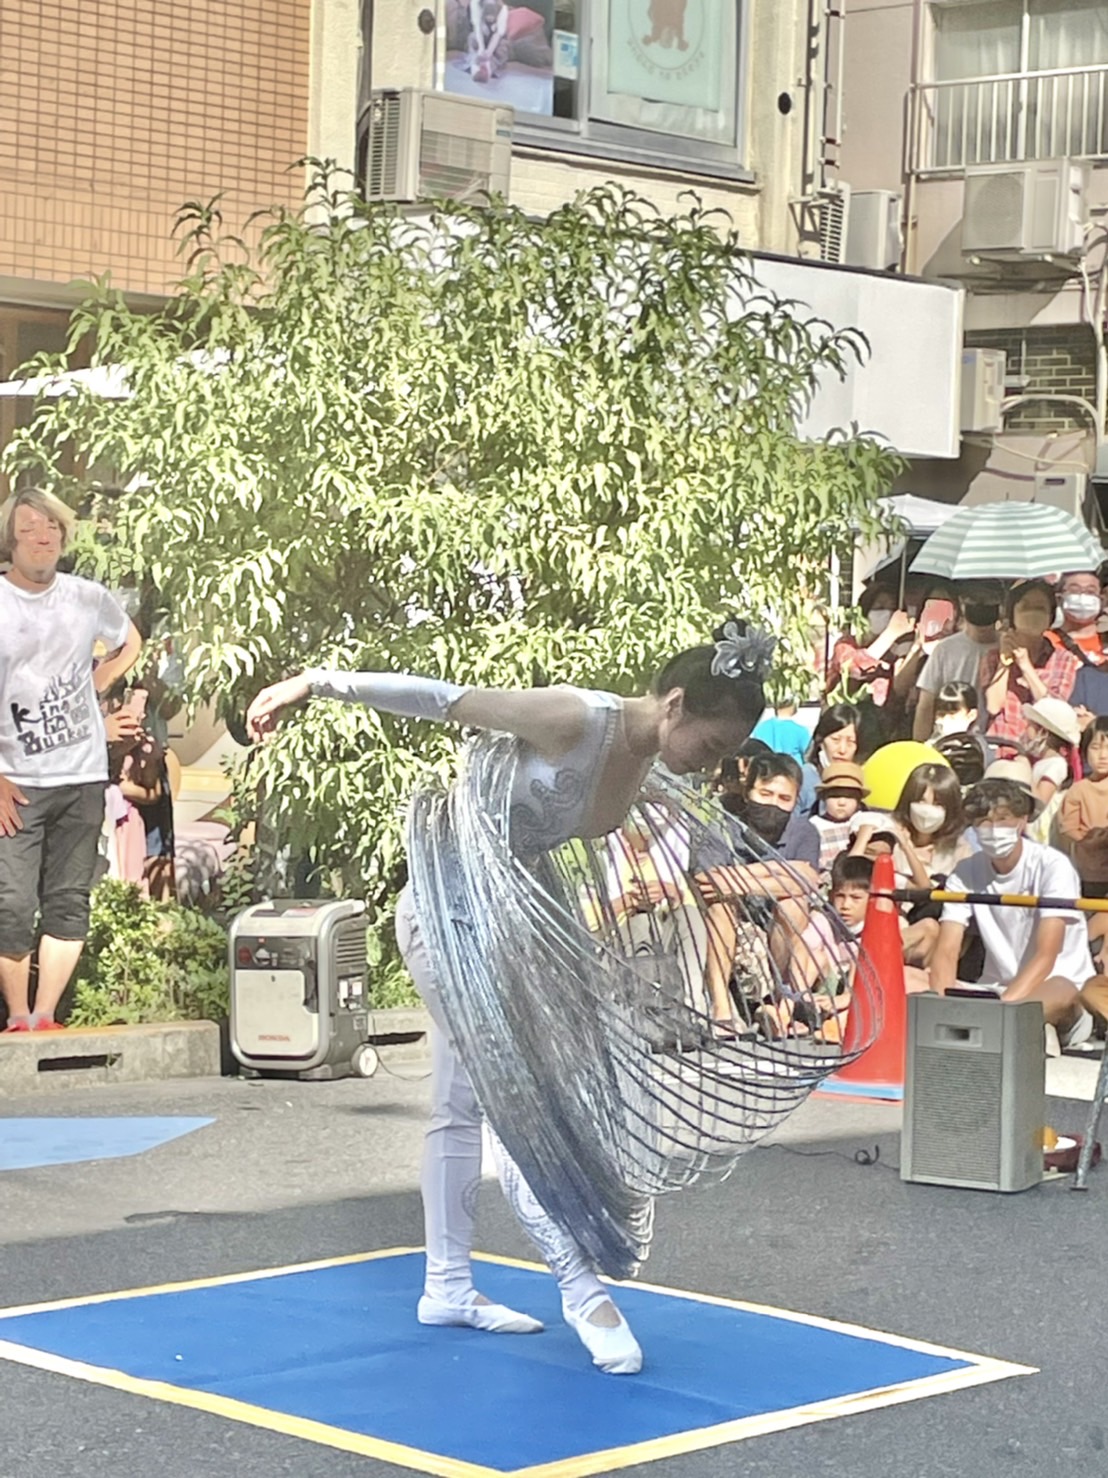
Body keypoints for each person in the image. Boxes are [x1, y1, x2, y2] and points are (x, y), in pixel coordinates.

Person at [245, 629, 772, 1377]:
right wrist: (316, 682)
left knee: (462, 1101)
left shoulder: (645, 759)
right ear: (676, 703)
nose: (711, 764)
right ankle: (580, 1286)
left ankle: (446, 1286)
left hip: (516, 916)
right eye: (712, 744)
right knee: (512, 1095)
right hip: (450, 910)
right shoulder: (575, 717)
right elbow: (441, 699)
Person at [0, 489, 142, 1033]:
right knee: (11, 901)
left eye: (52, 528)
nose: (42, 536)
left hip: (81, 775)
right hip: (17, 781)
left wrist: (95, 685)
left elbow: (129, 640)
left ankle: (44, 1014)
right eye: (30, 527)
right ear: (12, 539)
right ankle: (15, 1014)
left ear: (64, 535)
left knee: (68, 898)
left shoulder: (87, 597)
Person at [929, 774, 1095, 1051]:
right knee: (911, 978)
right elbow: (946, 950)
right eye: (983, 821)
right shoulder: (964, 871)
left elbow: (1047, 954)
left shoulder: (1052, 866)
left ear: (1022, 820)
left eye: (1003, 819)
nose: (993, 829)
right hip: (993, 990)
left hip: (1054, 985)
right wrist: (943, 1005)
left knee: (1062, 991)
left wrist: (1003, 1008)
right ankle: (1018, 1029)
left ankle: (1018, 1024)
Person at [981, 581, 1079, 751]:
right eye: (1025, 606)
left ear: (1050, 617)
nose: (1032, 613)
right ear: (1012, 614)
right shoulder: (992, 657)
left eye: (1040, 608)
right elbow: (993, 706)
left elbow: (1054, 710)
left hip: (1042, 751)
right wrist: (1004, 664)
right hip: (1001, 747)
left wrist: (1026, 666)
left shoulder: (1064, 659)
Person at [912, 584, 1002, 742]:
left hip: (993, 742)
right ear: (962, 604)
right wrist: (919, 747)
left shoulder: (1008, 648)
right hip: (949, 741)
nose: (980, 607)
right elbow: (926, 703)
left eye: (988, 602)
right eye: (974, 602)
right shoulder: (945, 649)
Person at [825, 587, 914, 705]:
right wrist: (890, 633)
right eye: (880, 608)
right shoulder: (846, 645)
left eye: (892, 608)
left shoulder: (897, 649)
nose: (887, 613)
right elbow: (853, 669)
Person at [799, 702, 861, 815]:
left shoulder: (861, 780)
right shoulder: (805, 778)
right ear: (820, 741)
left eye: (850, 742)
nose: (842, 750)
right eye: (835, 740)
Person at [1020, 696, 1080, 810]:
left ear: (1042, 732)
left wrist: (1025, 770)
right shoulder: (1044, 763)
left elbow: (1040, 802)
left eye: (1030, 726)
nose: (1025, 730)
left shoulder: (1056, 764)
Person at [810, 760, 867, 871]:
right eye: (835, 796)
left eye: (850, 797)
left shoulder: (862, 822)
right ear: (823, 797)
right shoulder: (814, 826)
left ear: (859, 800)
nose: (842, 802)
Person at [1046, 570, 1108, 666]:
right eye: (1074, 591)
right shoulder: (1045, 642)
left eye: (1090, 592)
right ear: (1059, 598)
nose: (1082, 597)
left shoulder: (1105, 642)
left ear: (1102, 599)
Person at [751, 699, 809, 767]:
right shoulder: (801, 730)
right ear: (793, 708)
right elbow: (809, 755)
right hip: (792, 771)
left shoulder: (760, 728)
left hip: (766, 771)